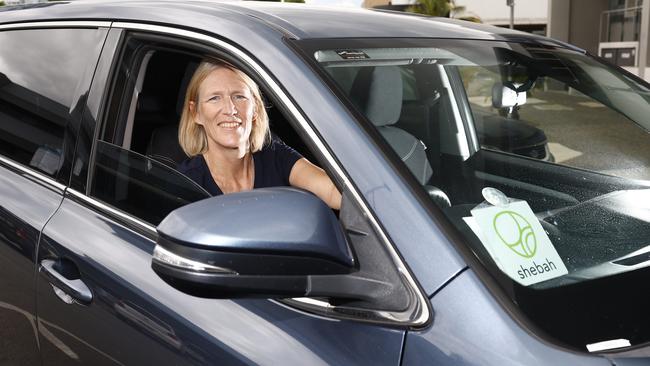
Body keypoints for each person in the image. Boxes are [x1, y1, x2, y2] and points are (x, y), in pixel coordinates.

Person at [177, 59, 342, 210]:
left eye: (239, 96)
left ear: (255, 108)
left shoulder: (276, 156)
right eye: (214, 98)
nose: (230, 110)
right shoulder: (186, 184)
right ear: (195, 113)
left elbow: (335, 193)